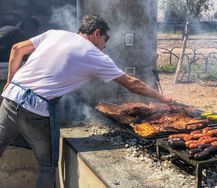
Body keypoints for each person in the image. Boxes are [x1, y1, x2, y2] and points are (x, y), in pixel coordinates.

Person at [0, 14, 172, 187]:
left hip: (9, 100)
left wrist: (9, 82)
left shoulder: (55, 34)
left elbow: (17, 49)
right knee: (47, 166)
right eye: (105, 40)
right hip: (36, 110)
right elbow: (132, 83)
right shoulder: (95, 55)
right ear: (97, 33)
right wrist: (162, 97)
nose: (104, 47)